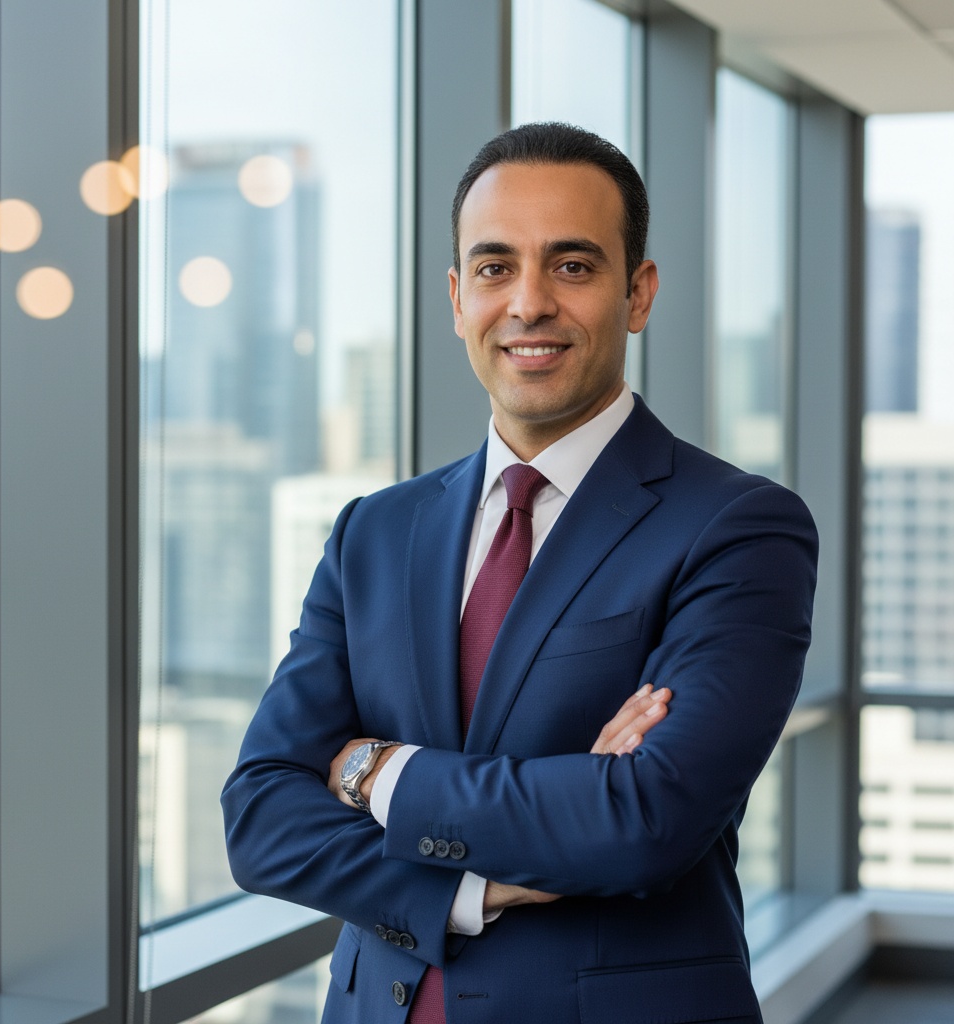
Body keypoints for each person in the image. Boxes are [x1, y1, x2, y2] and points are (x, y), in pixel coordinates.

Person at [222, 122, 817, 1024]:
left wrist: (375, 771)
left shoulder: (736, 527)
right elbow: (261, 816)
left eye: (573, 266)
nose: (529, 302)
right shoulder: (374, 532)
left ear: (639, 293)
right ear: (459, 298)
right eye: (496, 268)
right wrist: (478, 886)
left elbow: (647, 819)